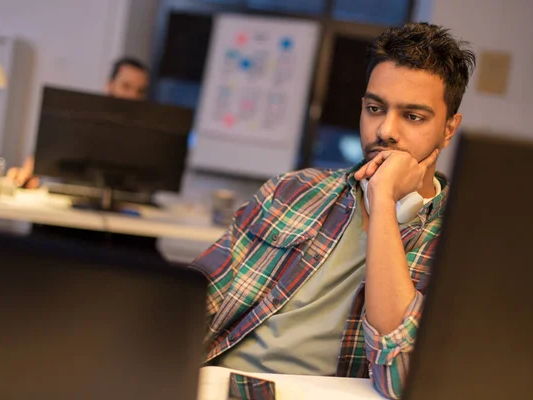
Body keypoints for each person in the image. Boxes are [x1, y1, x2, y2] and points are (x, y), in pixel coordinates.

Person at [191, 22, 476, 399]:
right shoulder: (293, 191)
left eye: (413, 116)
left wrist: (384, 202)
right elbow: (190, 305)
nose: (385, 130)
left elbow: (401, 380)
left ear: (448, 128)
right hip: (222, 386)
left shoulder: (456, 245)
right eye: (375, 108)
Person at [7, 57, 150, 188]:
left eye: (140, 91)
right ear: (110, 85)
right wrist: (28, 172)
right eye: (126, 87)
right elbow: (45, 156)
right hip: (74, 204)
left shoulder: (146, 136)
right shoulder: (81, 119)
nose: (133, 96)